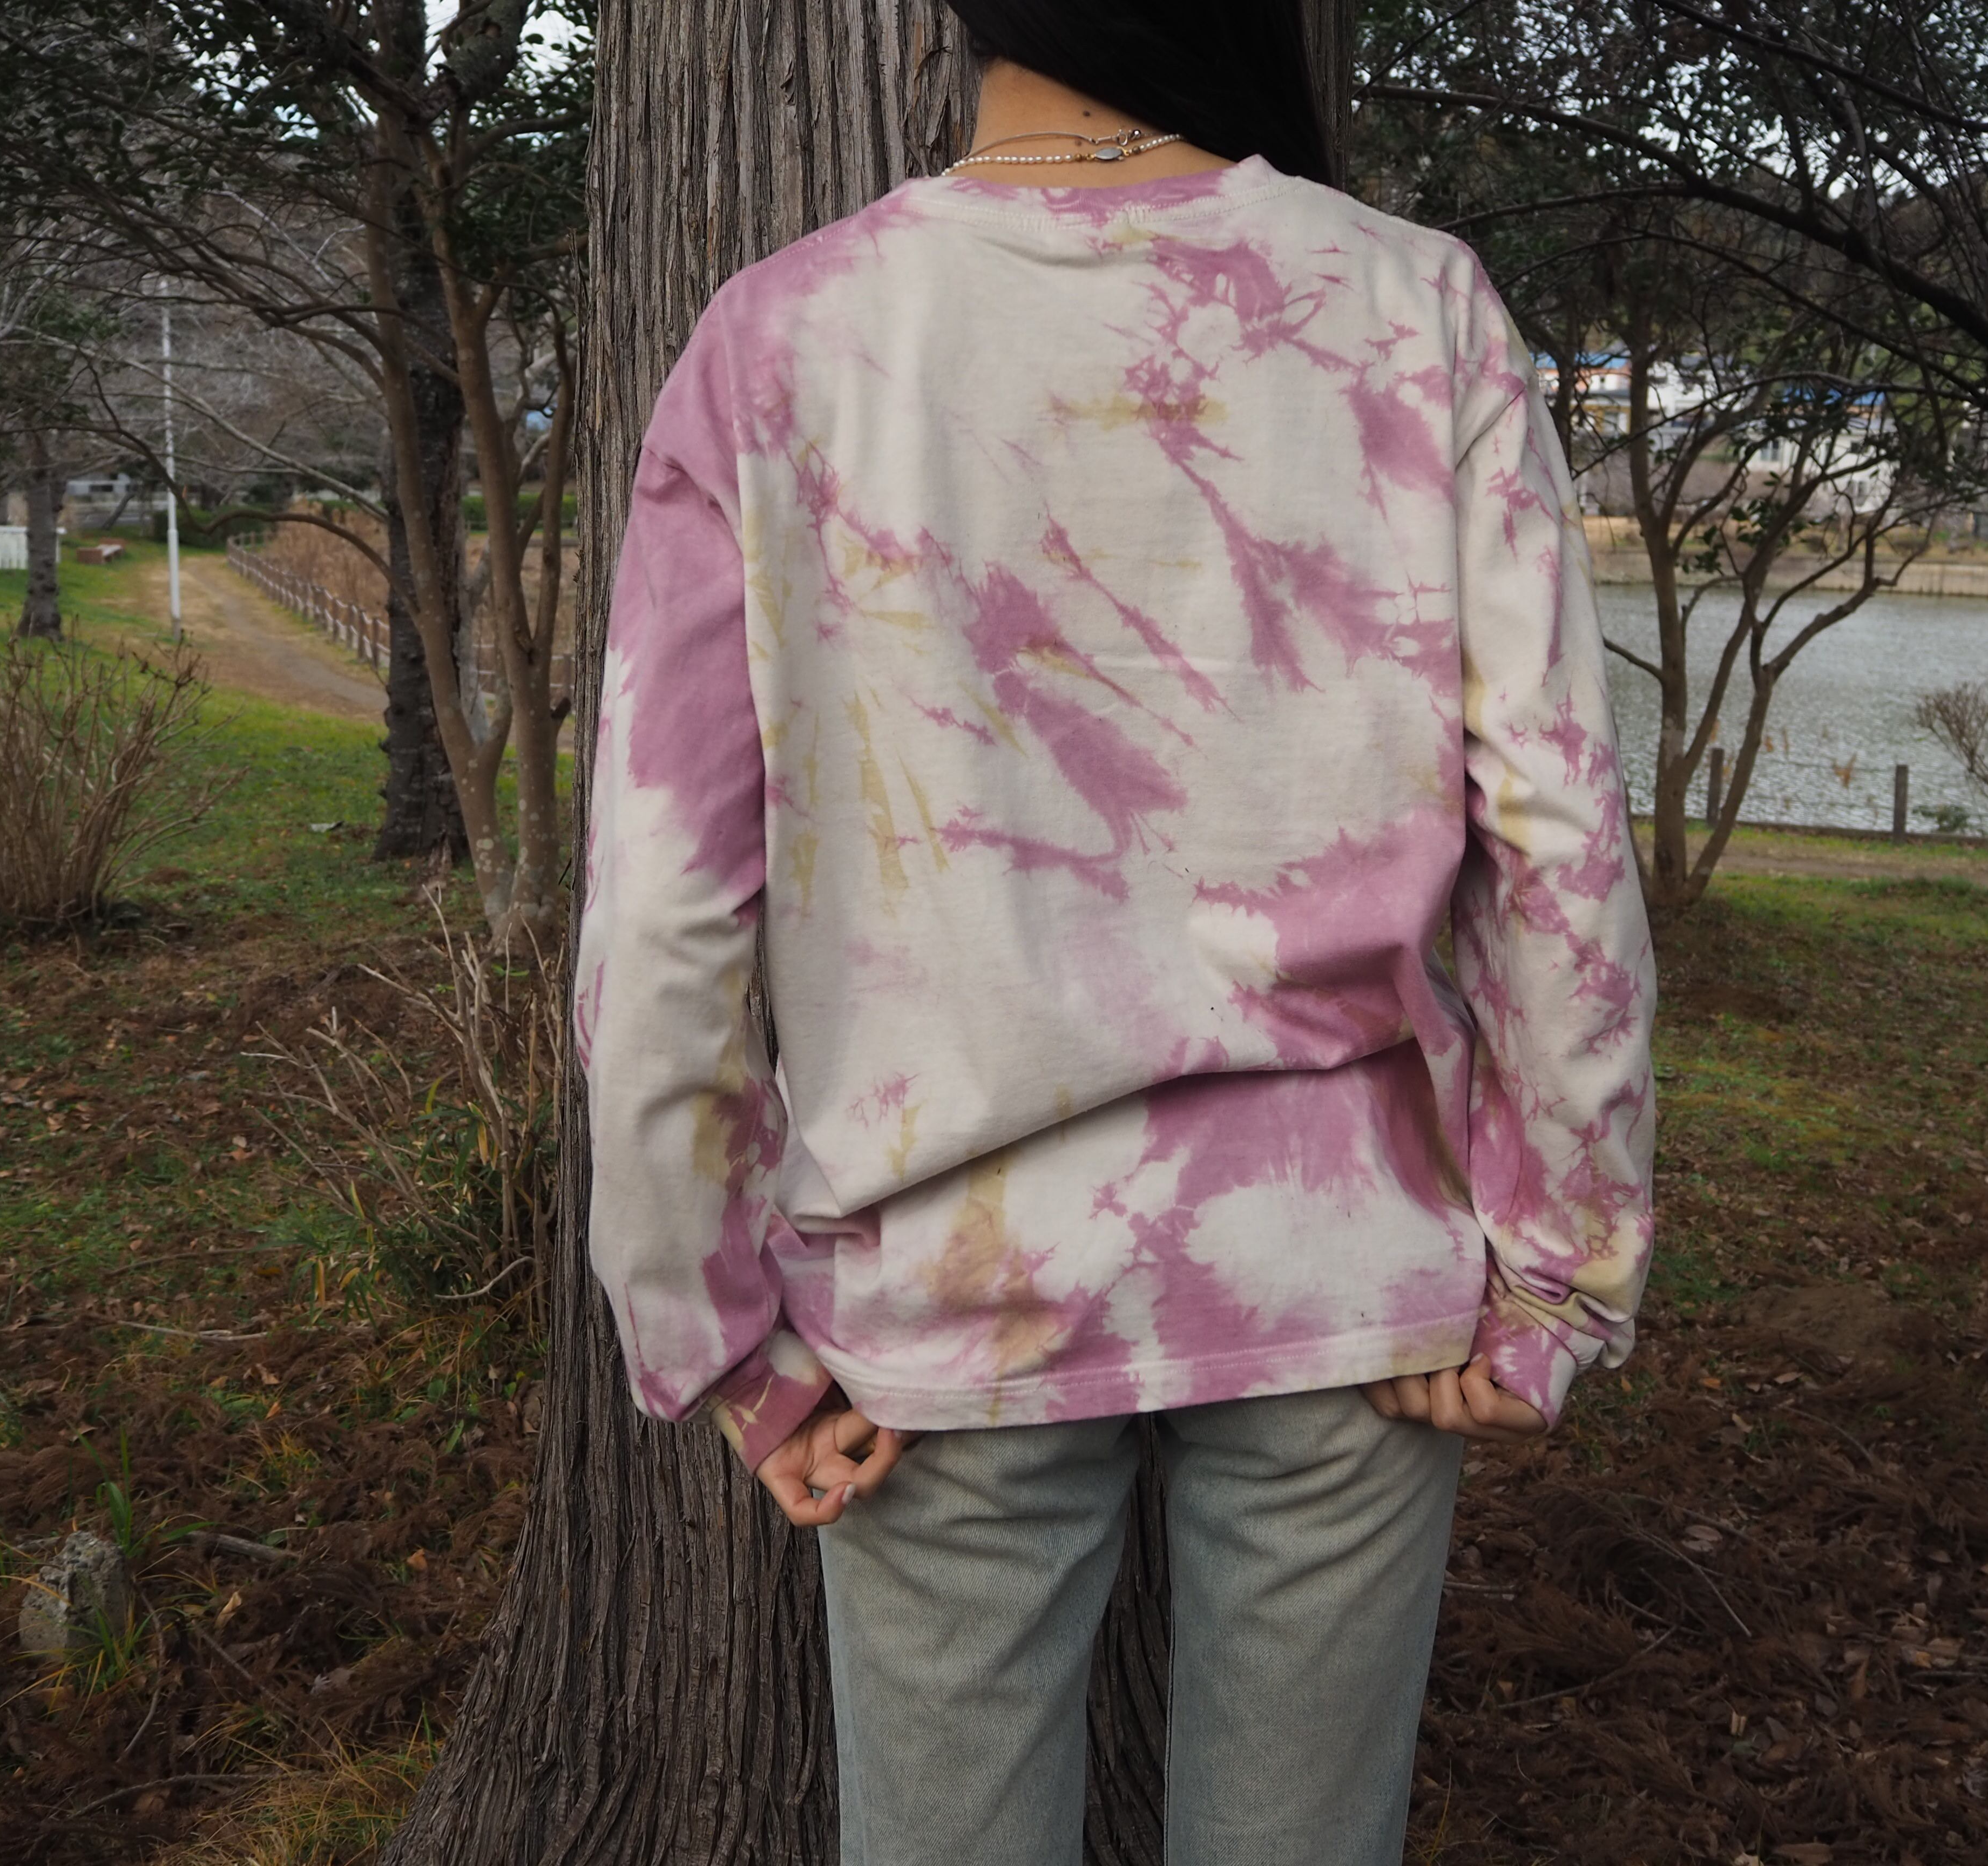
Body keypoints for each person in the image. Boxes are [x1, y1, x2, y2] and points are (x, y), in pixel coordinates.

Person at [574, 2, 1656, 1859]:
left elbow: (668, 897)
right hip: (1344, 1275)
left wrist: (719, 1333)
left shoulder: (787, 339)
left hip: (945, 1293)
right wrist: (1561, 1263)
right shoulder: (1417, 307)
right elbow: (1557, 830)